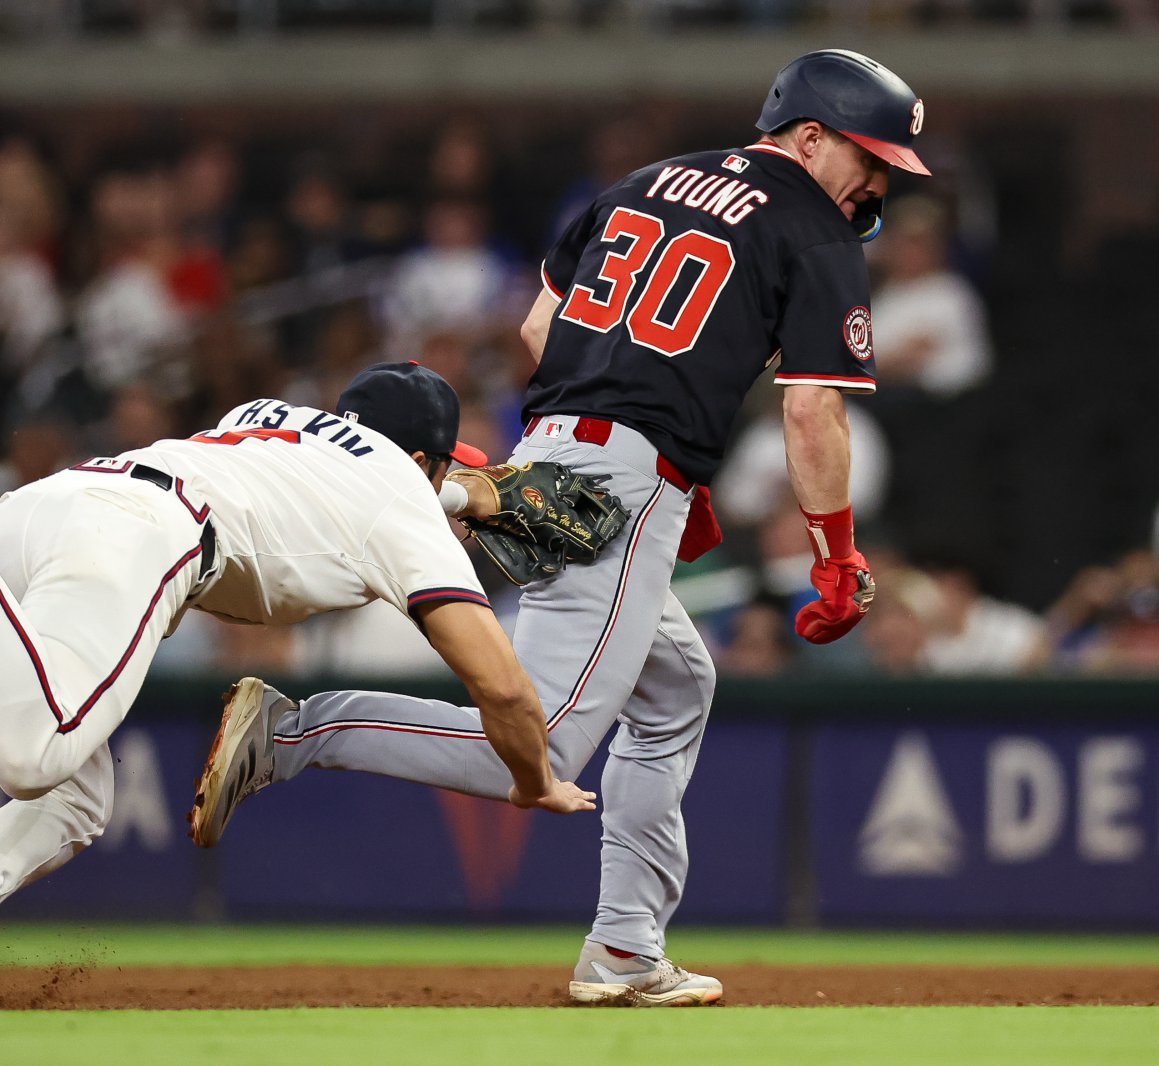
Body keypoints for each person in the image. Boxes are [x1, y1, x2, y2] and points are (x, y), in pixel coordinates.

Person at [194, 49, 930, 1007]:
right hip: (625, 481)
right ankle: (296, 733)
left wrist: (602, 444)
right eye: (867, 157)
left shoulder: (639, 184)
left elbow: (541, 332)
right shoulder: (813, 229)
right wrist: (835, 553)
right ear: (806, 135)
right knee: (532, 748)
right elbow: (811, 414)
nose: (878, 181)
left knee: (675, 689)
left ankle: (625, 947)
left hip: (552, 454)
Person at [0, 360, 594, 1008]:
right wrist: (534, 779)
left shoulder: (271, 416)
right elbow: (502, 687)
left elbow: (356, 478)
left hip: (46, 509)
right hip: (139, 537)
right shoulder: (406, 507)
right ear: (428, 460)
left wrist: (461, 493)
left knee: (76, 788)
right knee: (31, 757)